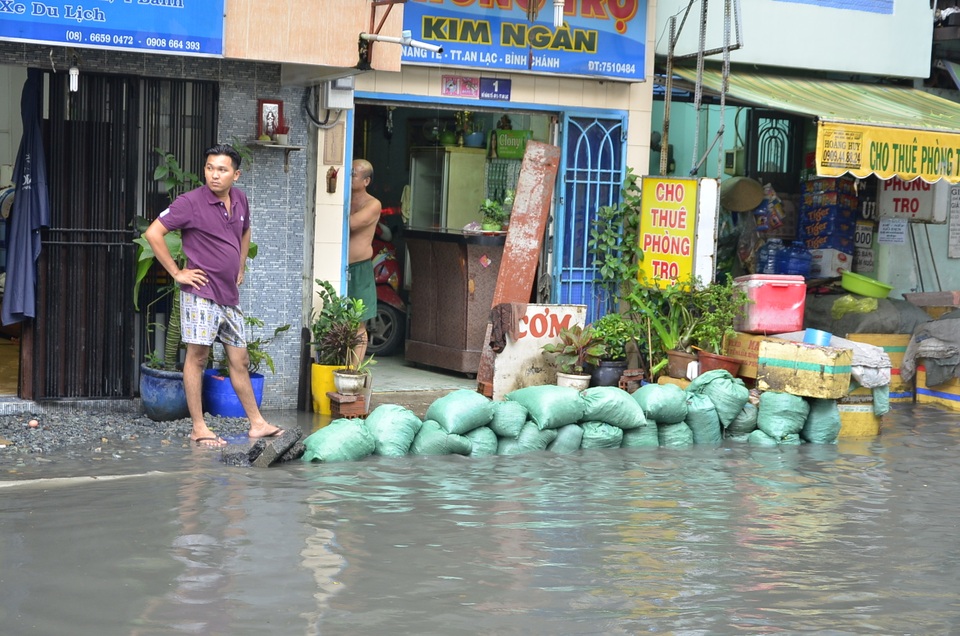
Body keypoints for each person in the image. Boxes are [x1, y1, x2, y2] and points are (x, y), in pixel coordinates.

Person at [144, 144, 282, 447]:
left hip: (228, 295)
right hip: (200, 293)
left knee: (239, 359)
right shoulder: (189, 202)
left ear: (236, 174)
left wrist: (241, 263)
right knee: (198, 357)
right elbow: (153, 233)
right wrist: (177, 273)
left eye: (221, 169)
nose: (214, 175)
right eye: (209, 168)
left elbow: (245, 231)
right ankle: (199, 427)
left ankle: (257, 423)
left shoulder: (241, 199)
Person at [348, 159, 381, 364]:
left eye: (354, 174)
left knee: (358, 324)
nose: (349, 176)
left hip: (360, 268)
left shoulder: (373, 204)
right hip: (340, 268)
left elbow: (352, 223)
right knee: (339, 322)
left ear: (366, 181)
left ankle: (353, 372)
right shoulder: (343, 198)